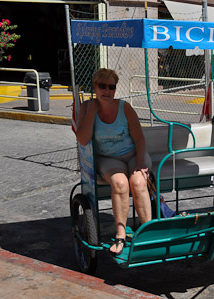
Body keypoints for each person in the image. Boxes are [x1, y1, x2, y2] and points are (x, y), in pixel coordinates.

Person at [76, 68, 152, 255]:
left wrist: (140, 163)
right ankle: (120, 234)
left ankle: (148, 233)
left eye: (112, 87)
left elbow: (140, 139)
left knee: (138, 182)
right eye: (103, 86)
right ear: (95, 86)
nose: (107, 91)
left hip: (134, 154)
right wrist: (92, 112)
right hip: (108, 158)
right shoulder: (86, 108)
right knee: (120, 183)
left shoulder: (124, 108)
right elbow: (83, 140)